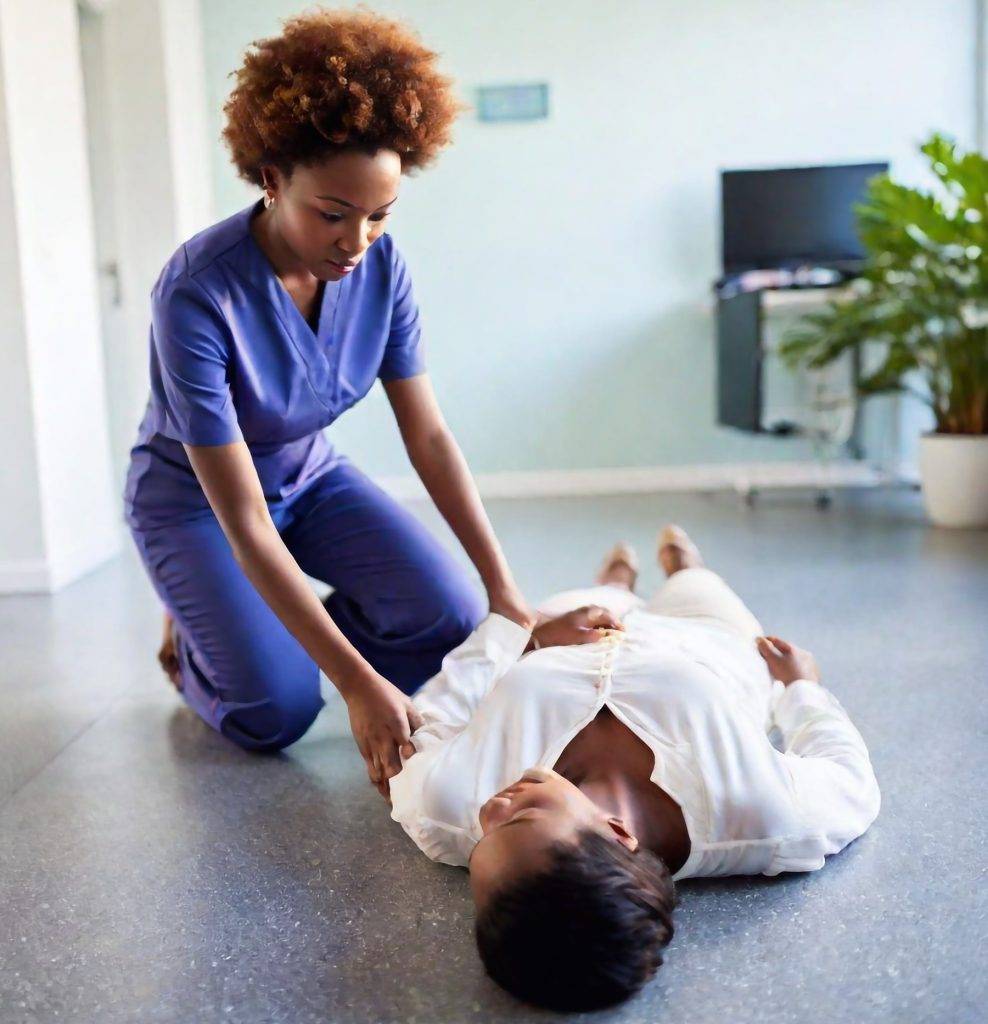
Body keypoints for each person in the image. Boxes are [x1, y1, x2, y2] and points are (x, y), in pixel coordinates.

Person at [123, 8, 530, 786]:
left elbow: (430, 437)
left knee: (447, 623)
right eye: (333, 215)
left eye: (379, 215)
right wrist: (353, 684)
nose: (357, 243)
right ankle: (211, 642)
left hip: (309, 478)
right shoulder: (196, 295)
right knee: (275, 712)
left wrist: (505, 592)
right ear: (272, 179)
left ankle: (252, 628)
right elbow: (240, 516)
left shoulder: (382, 267)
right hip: (197, 505)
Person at [388, 525, 881, 1012]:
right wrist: (802, 690)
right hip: (711, 638)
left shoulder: (442, 810)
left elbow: (437, 709)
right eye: (517, 820)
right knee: (696, 581)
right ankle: (682, 567)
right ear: (617, 833)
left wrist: (528, 642)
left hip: (566, 627)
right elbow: (850, 777)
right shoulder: (765, 817)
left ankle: (618, 580)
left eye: (477, 849)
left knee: (602, 589)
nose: (490, 809)